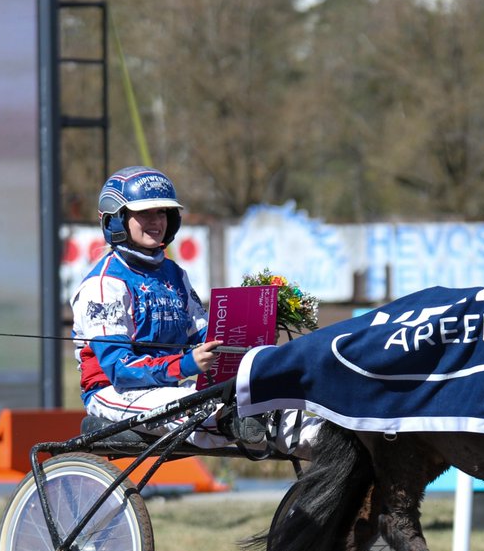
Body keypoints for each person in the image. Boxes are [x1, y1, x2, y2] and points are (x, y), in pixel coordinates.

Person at [70, 166, 314, 456]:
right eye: (145, 213)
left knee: (271, 400)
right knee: (209, 408)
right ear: (116, 219)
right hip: (114, 393)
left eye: (162, 213)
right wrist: (186, 365)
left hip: (169, 389)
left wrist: (255, 333)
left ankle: (334, 444)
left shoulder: (174, 274)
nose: (156, 221)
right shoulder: (103, 284)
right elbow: (120, 370)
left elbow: (205, 336)